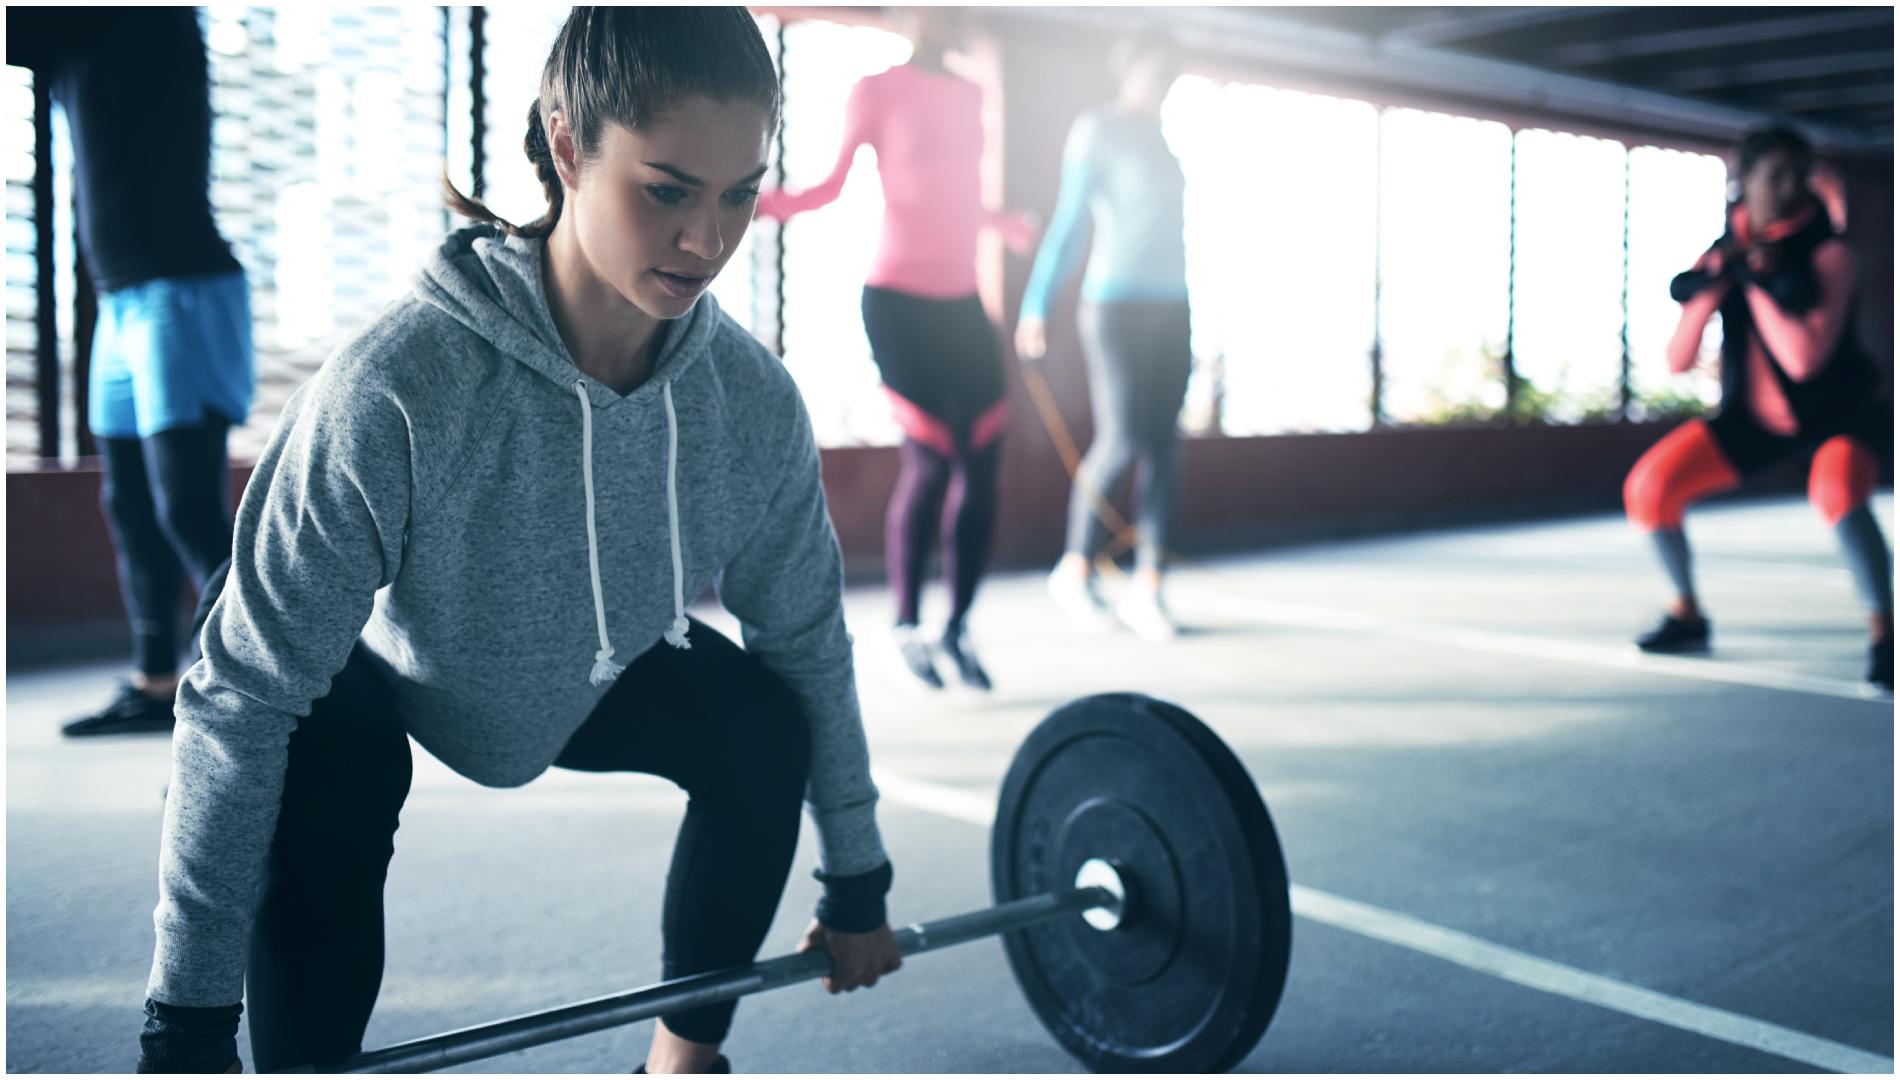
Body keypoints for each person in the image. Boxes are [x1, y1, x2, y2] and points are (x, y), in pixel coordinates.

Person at [134, 9, 901, 1073]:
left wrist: (858, 881)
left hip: (592, 672)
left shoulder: (748, 402)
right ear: (567, 144)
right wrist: (187, 1022)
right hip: (390, 669)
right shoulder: (400, 386)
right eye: (667, 189)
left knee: (762, 724)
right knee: (325, 760)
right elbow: (241, 701)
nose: (707, 241)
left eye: (738, 194)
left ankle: (684, 1059)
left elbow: (808, 640)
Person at [754, 7, 1035, 692]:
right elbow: (830, 187)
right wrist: (755, 203)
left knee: (985, 462)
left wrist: (1004, 224)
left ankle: (958, 627)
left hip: (964, 306)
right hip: (898, 304)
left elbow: (959, 197)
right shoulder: (876, 88)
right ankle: (906, 625)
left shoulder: (971, 94)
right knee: (934, 459)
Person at [7, 7, 255, 737]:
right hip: (120, 305)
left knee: (186, 507)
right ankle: (156, 683)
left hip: (184, 290)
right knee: (129, 503)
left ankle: (257, 691)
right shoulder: (68, 44)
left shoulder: (141, 19)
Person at [1623, 125, 1892, 689]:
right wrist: (1716, 287)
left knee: (1838, 489)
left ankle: (1886, 634)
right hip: (1757, 420)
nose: (1790, 187)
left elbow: (1804, 360)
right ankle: (1686, 615)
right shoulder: (1724, 253)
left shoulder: (1832, 252)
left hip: (1840, 414)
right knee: (1650, 489)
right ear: (1741, 180)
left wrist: (1754, 283)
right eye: (1775, 175)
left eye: (1800, 175)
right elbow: (1677, 359)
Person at [1015, 38, 1190, 643]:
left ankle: (1149, 586)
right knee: (1122, 438)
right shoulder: (1098, 130)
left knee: (1164, 446)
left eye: (1172, 71)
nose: (1163, 80)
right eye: (1156, 68)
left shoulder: (1164, 140)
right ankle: (1076, 567)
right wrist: (1037, 305)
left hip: (1174, 304)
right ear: (1131, 67)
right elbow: (1069, 222)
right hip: (1113, 305)